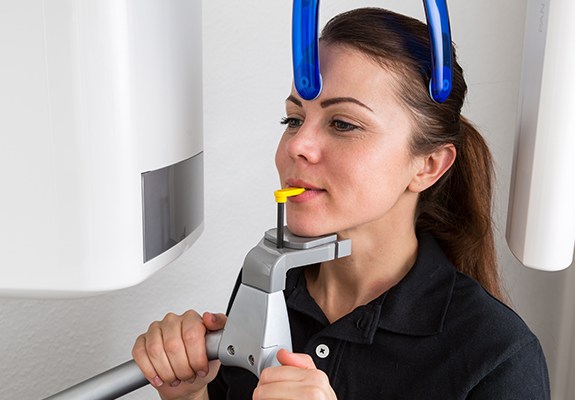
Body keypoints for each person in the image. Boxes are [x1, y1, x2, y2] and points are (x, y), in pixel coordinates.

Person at [132, 8, 550, 399]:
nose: (298, 145)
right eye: (293, 119)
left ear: (428, 165)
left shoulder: (497, 358)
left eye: (343, 124)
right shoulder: (266, 281)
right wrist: (191, 393)